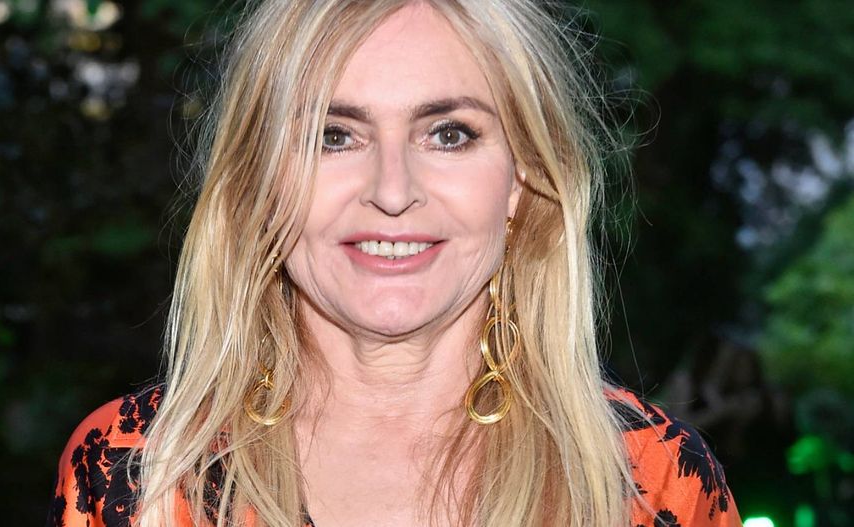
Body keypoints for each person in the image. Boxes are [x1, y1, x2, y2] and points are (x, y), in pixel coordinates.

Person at [47, 1, 743, 526]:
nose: (391, 190)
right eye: (333, 135)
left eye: (449, 134)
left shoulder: (650, 483)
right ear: (258, 182)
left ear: (522, 177)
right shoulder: (136, 473)